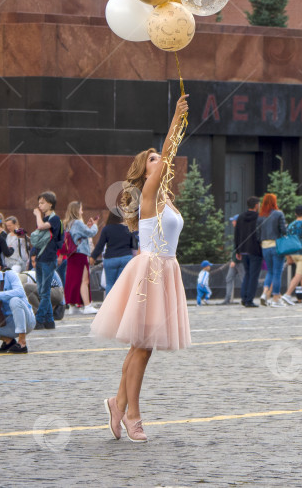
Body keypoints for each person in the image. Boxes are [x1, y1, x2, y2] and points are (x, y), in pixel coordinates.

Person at [91, 94, 191, 443]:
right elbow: (168, 153)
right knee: (142, 346)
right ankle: (132, 413)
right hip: (150, 272)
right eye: (152, 159)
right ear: (145, 170)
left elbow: (168, 157)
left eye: (157, 157)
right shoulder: (147, 195)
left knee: (140, 347)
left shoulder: (166, 198)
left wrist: (178, 123)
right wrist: (176, 119)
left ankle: (118, 403)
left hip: (166, 271)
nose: (159, 161)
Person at [32, 191, 63, 330]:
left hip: (49, 259)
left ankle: (39, 320)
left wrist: (38, 216)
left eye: (42, 202)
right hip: (40, 258)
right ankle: (49, 321)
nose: (39, 205)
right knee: (41, 290)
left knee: (44, 292)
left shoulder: (54, 219)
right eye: (39, 203)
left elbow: (41, 227)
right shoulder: (45, 218)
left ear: (50, 203)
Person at [63, 201, 99, 315]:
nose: (82, 212)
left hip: (72, 255)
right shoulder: (78, 223)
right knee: (84, 280)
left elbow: (81, 234)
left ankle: (73, 305)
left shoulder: (69, 223)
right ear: (76, 210)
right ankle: (87, 305)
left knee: (73, 280)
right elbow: (90, 233)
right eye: (81, 209)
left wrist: (87, 227)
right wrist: (94, 226)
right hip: (80, 254)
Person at [91, 210, 135, 296]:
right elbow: (133, 245)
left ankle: (109, 307)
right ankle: (121, 307)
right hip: (126, 258)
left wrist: (93, 257)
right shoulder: (128, 228)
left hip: (111, 259)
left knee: (110, 284)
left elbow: (100, 246)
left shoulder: (107, 229)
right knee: (122, 285)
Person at [258, 194, 287, 307]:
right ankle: (275, 298)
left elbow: (257, 233)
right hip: (277, 246)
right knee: (277, 272)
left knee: (270, 271)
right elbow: (283, 230)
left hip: (265, 246)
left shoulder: (261, 215)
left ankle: (265, 293)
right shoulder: (279, 213)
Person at [235, 196, 262, 307]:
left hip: (243, 251)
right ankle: (249, 300)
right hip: (255, 250)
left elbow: (236, 234)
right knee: (254, 276)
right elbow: (260, 234)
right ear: (256, 205)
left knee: (247, 274)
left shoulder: (241, 217)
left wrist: (237, 250)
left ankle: (244, 297)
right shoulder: (258, 218)